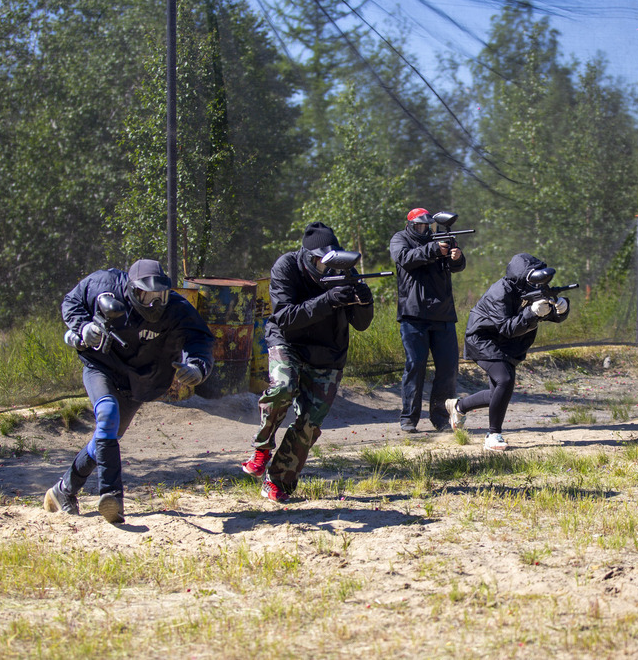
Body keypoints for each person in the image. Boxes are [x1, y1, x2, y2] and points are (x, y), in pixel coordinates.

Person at [44, 259, 214, 523]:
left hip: (139, 379)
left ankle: (64, 490)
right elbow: (72, 301)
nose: (155, 303)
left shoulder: (177, 308)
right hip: (102, 365)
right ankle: (112, 497)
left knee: (107, 434)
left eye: (161, 295)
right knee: (108, 416)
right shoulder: (104, 284)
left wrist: (197, 366)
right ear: (133, 290)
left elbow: (200, 339)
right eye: (147, 296)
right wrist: (83, 327)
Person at [240, 222, 375, 502]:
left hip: (329, 352)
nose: (327, 269)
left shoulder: (345, 272)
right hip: (288, 342)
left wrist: (364, 302)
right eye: (320, 262)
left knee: (310, 424)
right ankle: (262, 446)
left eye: (331, 262)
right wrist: (328, 300)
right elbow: (286, 318)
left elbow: (361, 325)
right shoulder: (286, 267)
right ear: (307, 256)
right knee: (283, 388)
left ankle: (278, 480)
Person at [445, 253, 570, 451]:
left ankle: (459, 406)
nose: (537, 284)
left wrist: (561, 309)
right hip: (483, 339)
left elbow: (549, 315)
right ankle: (493, 435)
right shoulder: (500, 292)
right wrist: (532, 312)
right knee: (505, 379)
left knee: (498, 391)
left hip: (507, 342)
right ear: (521, 277)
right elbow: (507, 327)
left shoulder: (533, 290)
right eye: (532, 279)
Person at [389, 208, 467, 433]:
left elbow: (457, 267)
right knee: (415, 366)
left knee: (448, 367)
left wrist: (456, 257)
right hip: (413, 315)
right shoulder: (400, 239)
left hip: (442, 314)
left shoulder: (441, 239)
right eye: (419, 226)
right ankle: (409, 418)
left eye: (427, 226)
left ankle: (441, 417)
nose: (424, 230)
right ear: (411, 225)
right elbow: (404, 258)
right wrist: (434, 249)